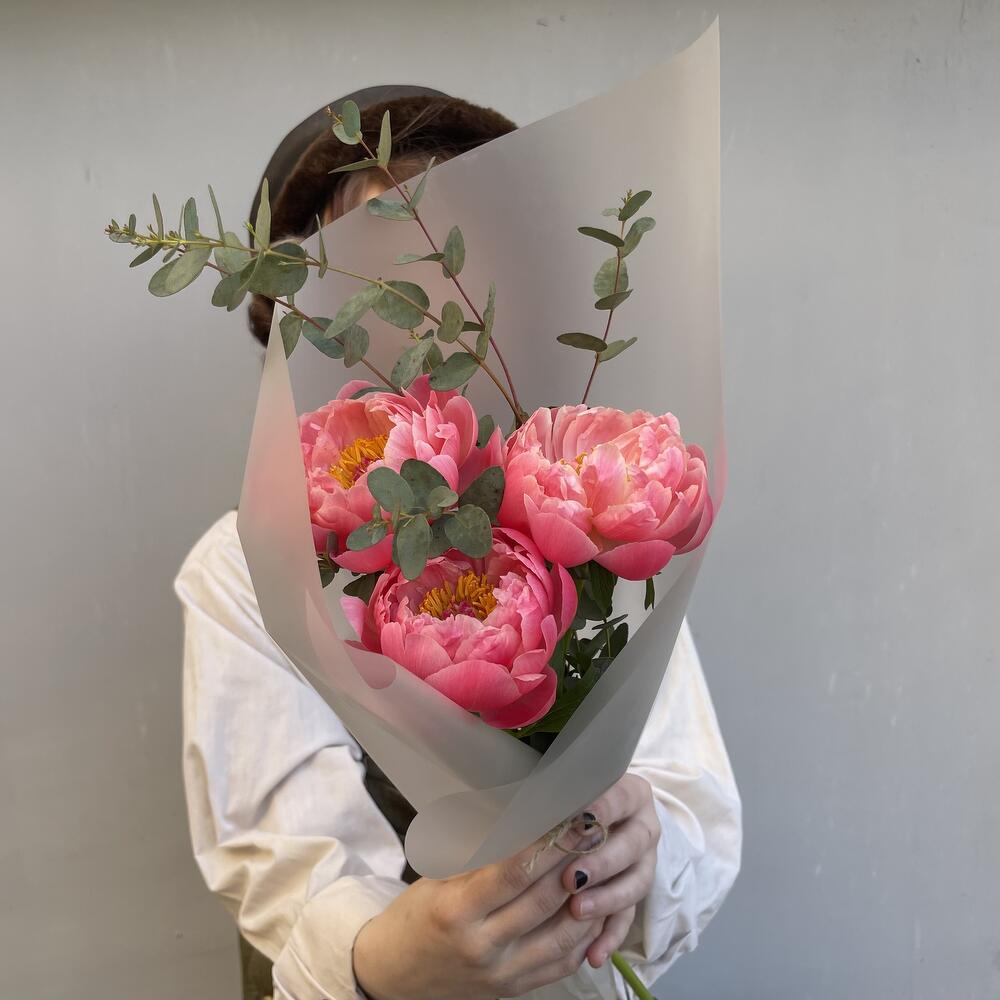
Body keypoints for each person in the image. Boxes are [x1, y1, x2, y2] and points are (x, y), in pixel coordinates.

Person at [175, 88, 742, 1000]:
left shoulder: (590, 505)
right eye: (370, 277)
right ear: (299, 323)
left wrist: (643, 851)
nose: (426, 314)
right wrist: (387, 957)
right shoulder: (250, 567)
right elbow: (283, 865)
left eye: (456, 262)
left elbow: (691, 796)